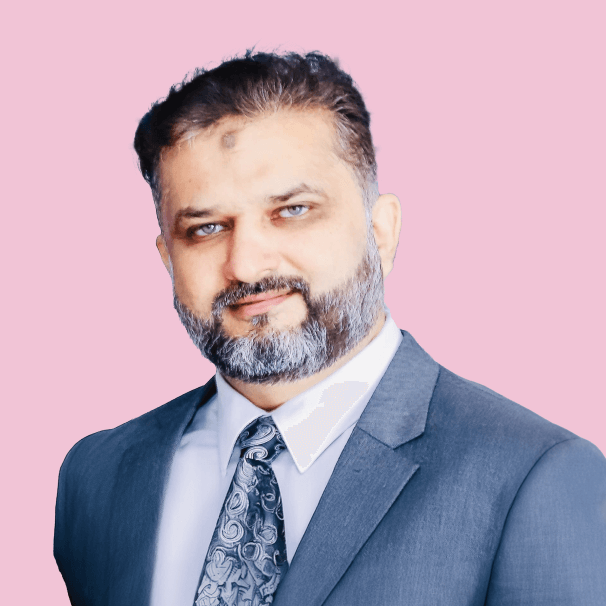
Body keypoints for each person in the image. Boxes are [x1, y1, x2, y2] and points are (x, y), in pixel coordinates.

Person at [54, 51, 606, 606]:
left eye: (292, 210)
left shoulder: (536, 477)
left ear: (381, 231)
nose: (246, 265)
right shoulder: (98, 475)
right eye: (206, 228)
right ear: (167, 259)